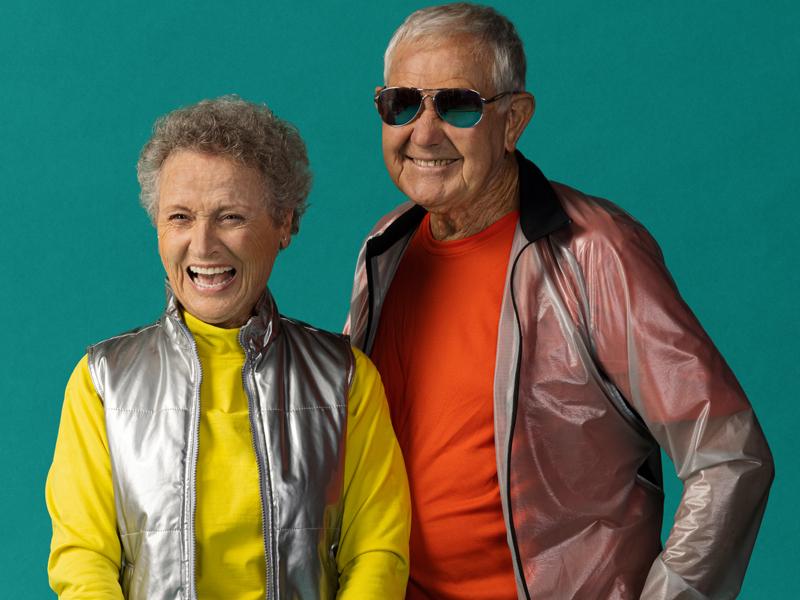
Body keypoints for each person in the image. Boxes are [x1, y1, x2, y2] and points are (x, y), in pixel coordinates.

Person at [344, 3, 773, 599]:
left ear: (514, 120)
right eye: (402, 104)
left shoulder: (596, 252)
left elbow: (728, 455)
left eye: (459, 105)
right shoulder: (386, 247)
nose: (424, 132)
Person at [46, 96, 410, 599]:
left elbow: (377, 552)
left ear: (284, 223)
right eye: (180, 217)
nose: (202, 245)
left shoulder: (346, 379)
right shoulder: (101, 383)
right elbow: (83, 558)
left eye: (230, 217)